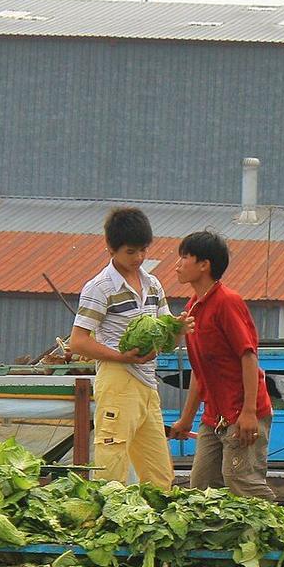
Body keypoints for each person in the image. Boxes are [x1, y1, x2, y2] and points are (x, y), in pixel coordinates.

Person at [67, 207, 176, 488]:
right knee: (112, 461)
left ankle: (156, 514)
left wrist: (180, 329)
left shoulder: (153, 284)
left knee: (160, 474)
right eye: (131, 251)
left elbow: (167, 334)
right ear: (111, 248)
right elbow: (78, 341)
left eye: (143, 250)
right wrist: (121, 356)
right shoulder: (100, 287)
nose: (138, 257)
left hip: (148, 384)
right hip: (117, 379)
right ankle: (108, 512)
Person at [167, 231, 278, 501]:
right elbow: (200, 372)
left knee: (241, 482)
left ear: (204, 265)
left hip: (242, 413)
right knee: (202, 487)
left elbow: (248, 356)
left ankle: (276, 525)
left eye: (184, 257)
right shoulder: (192, 308)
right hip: (213, 417)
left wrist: (249, 413)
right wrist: (186, 419)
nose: (177, 265)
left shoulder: (227, 302)